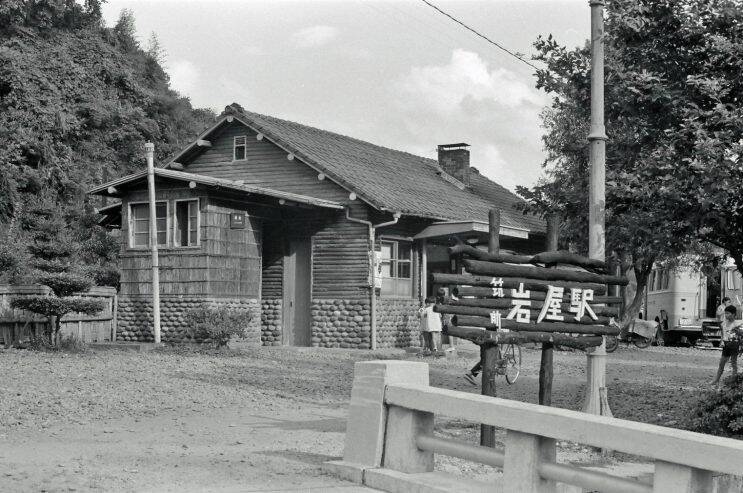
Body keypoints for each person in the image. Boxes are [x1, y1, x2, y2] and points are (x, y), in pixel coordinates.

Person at [710, 304, 743, 386]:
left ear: (734, 314)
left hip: (734, 346)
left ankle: (733, 380)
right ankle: (716, 380)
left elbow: (740, 336)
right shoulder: (723, 324)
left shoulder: (738, 324)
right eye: (725, 313)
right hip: (726, 345)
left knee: (733, 363)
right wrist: (722, 341)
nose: (726, 315)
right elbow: (723, 334)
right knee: (721, 363)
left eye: (728, 313)